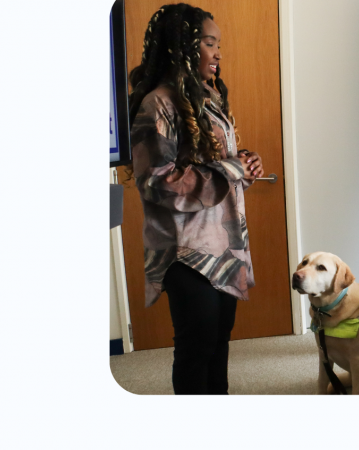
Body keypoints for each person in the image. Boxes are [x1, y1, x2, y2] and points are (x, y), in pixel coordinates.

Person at [127, 4, 264, 395]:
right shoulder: (158, 105)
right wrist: (231, 169)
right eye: (209, 42)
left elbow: (217, 167)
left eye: (217, 43)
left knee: (219, 342)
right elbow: (158, 184)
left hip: (224, 248)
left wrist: (244, 165)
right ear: (181, 46)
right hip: (186, 254)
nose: (217, 52)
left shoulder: (208, 100)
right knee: (196, 349)